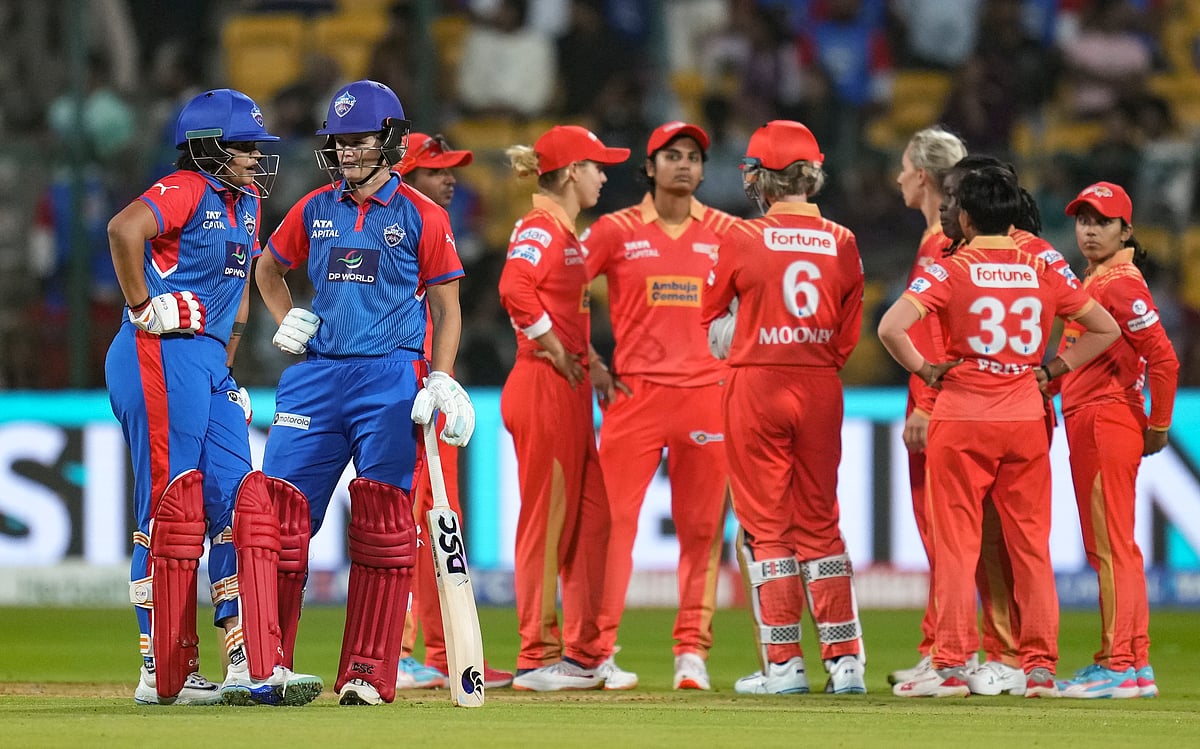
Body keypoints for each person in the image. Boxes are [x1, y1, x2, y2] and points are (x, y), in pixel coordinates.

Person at [255, 80, 475, 707]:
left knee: (381, 528)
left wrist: (440, 374)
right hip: (315, 377)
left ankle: (368, 675)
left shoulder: (422, 216)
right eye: (340, 141)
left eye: (359, 139)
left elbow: (448, 307)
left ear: (391, 141)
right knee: (279, 521)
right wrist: (285, 317)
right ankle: (269, 668)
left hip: (390, 377)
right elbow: (269, 268)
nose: (347, 151)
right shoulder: (312, 208)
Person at [105, 88, 322, 707]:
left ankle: (241, 656)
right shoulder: (186, 188)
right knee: (170, 507)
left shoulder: (248, 201)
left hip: (203, 362)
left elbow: (244, 284)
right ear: (209, 149)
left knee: (236, 497)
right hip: (158, 350)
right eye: (247, 148)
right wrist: (143, 307)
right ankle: (163, 667)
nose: (257, 159)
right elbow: (125, 229)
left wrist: (222, 362)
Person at [879, 165, 1120, 698]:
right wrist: (1054, 369)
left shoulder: (950, 269)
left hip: (962, 416)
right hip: (1025, 418)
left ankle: (950, 666)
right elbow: (1106, 329)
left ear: (963, 216)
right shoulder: (1043, 268)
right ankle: (1038, 669)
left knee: (958, 545)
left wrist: (924, 369)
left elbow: (890, 327)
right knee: (1031, 548)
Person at [701, 120, 868, 696]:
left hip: (757, 384)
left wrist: (748, 339)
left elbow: (709, 319)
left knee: (767, 529)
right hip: (821, 384)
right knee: (821, 523)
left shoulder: (741, 237)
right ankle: (846, 664)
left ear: (761, 179)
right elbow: (850, 330)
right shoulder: (844, 241)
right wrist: (817, 359)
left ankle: (785, 666)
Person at [582, 121, 738, 691]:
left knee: (702, 530)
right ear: (648, 167)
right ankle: (597, 650)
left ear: (701, 169)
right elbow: (564, 283)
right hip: (635, 397)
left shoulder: (726, 231)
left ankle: (691, 653)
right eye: (671, 155)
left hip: (707, 396)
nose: (683, 165)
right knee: (613, 527)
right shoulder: (615, 230)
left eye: (693, 157)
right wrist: (590, 359)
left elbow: (758, 298)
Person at [497, 125, 629, 692]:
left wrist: (591, 358)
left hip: (568, 384)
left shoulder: (565, 233)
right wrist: (553, 345)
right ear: (573, 171)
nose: (605, 176)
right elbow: (513, 287)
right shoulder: (540, 227)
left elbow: (559, 307)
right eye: (598, 166)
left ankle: (581, 654)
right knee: (546, 527)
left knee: (592, 523)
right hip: (543, 385)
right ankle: (535, 657)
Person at [394, 132, 514, 691]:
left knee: (440, 521)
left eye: (451, 171)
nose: (450, 181)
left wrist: (442, 381)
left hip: (429, 388)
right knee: (401, 521)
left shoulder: (430, 232)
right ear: (406, 176)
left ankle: (443, 652)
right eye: (437, 171)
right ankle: (393, 648)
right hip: (395, 392)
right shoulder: (390, 231)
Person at [1053, 182, 1179, 699]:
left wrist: (1159, 426)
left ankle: (1118, 665)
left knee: (1110, 549)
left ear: (1126, 230)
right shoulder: (1100, 279)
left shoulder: (1120, 285)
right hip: (1098, 416)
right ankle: (1136, 664)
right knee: (1115, 547)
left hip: (1107, 418)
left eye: (1101, 221)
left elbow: (1165, 358)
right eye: (1083, 220)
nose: (1088, 230)